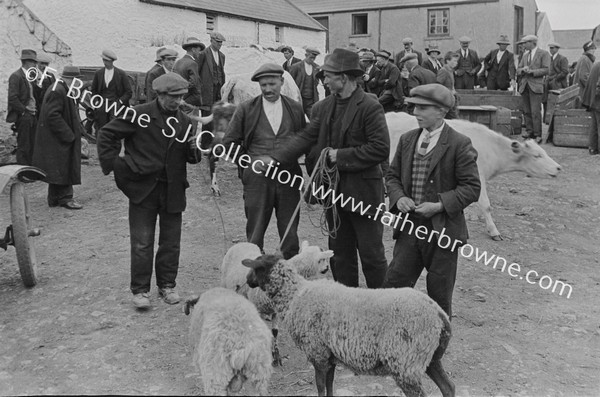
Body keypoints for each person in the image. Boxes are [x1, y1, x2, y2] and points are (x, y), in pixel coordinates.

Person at [263, 48, 390, 289]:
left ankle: (380, 305)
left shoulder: (370, 106)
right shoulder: (322, 108)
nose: (325, 80)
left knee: (372, 255)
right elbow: (305, 138)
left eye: (329, 75)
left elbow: (380, 149)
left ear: (344, 77)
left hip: (364, 195)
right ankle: (346, 301)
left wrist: (338, 156)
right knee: (340, 255)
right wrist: (275, 159)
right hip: (334, 195)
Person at [97, 73, 202, 310]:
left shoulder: (186, 122)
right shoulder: (139, 114)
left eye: (181, 97)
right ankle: (141, 290)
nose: (177, 102)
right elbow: (107, 134)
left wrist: (196, 150)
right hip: (143, 189)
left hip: (173, 190)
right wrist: (116, 165)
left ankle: (167, 285)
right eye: (173, 97)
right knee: (142, 242)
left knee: (171, 242)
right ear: (160, 94)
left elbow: (191, 157)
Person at [383, 83, 481, 317]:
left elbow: (472, 187)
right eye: (414, 107)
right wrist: (399, 198)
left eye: (422, 108)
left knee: (439, 297)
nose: (415, 113)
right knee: (392, 290)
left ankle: (436, 349)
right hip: (409, 230)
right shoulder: (407, 140)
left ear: (441, 111)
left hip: (443, 234)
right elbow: (392, 176)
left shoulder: (459, 143)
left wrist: (439, 205)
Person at [220, 64, 306, 258]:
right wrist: (248, 164)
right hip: (257, 182)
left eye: (272, 84)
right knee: (255, 232)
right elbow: (229, 142)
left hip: (288, 179)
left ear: (282, 82)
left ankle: (290, 273)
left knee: (290, 233)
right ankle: (254, 276)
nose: (267, 89)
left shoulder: (295, 109)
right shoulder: (246, 109)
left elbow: (304, 140)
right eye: (263, 85)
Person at [32, 66, 85, 210]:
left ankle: (54, 198)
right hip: (58, 138)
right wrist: (68, 135)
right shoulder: (58, 90)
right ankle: (66, 198)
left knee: (57, 168)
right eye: (77, 80)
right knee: (64, 166)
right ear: (72, 79)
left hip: (55, 138)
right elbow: (52, 115)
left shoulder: (60, 88)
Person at [516, 35, 550, 142]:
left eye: (525, 43)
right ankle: (529, 131)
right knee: (526, 111)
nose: (524, 45)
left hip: (536, 86)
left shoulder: (544, 54)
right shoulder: (525, 55)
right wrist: (522, 70)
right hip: (525, 86)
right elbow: (518, 69)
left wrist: (532, 72)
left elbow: (546, 69)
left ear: (532, 43)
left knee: (535, 111)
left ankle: (537, 134)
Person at [6, 49, 38, 165]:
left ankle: (30, 169)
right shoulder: (16, 76)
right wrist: (24, 111)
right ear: (26, 62)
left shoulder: (30, 76)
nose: (35, 65)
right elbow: (13, 98)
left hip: (32, 115)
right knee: (24, 144)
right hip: (24, 116)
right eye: (34, 62)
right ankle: (23, 172)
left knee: (33, 143)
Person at [90, 49, 132, 130]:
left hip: (116, 104)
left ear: (112, 61)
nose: (105, 63)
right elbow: (94, 90)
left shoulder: (121, 74)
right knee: (101, 127)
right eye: (103, 60)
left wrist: (120, 102)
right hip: (102, 104)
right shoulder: (98, 73)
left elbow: (128, 92)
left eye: (107, 61)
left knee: (114, 127)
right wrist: (96, 102)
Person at [197, 31, 226, 116]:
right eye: (218, 41)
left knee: (217, 112)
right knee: (207, 114)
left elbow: (221, 71)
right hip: (207, 90)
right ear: (211, 41)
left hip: (219, 89)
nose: (220, 44)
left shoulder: (222, 56)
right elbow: (197, 72)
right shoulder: (203, 54)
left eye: (221, 42)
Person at [174, 37, 204, 110]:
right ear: (193, 50)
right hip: (190, 102)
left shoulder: (178, 62)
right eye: (199, 50)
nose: (199, 53)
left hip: (179, 99)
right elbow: (194, 83)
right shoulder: (192, 63)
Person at [289, 47, 321, 117]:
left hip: (311, 101)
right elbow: (290, 83)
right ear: (306, 55)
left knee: (314, 119)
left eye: (314, 58)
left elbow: (317, 82)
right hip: (299, 99)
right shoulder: (296, 67)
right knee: (298, 121)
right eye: (311, 57)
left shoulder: (316, 68)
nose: (312, 59)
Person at [543, 42, 569, 120]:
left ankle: (557, 120)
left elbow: (565, 71)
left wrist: (555, 78)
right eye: (550, 48)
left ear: (557, 49)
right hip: (548, 83)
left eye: (553, 48)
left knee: (556, 102)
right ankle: (547, 119)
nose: (551, 50)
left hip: (558, 84)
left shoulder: (562, 58)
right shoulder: (549, 59)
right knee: (546, 101)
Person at [581, 60, 600, 155]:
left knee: (594, 126)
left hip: (593, 101)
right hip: (598, 101)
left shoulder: (596, 64)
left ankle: (593, 148)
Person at [436, 51, 460, 119]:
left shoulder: (450, 71)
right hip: (445, 102)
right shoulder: (443, 71)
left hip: (451, 101)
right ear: (448, 61)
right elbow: (438, 86)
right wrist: (449, 92)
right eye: (454, 61)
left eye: (456, 61)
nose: (456, 63)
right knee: (455, 121)